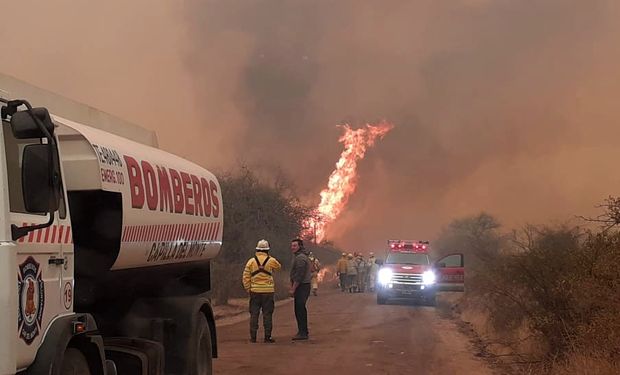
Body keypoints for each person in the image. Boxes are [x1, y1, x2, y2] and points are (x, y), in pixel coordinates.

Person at [242, 239, 282, 343]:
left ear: (257, 249)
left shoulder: (251, 261)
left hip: (254, 291)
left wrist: (248, 288)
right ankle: (267, 337)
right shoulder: (271, 260)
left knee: (254, 314)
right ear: (267, 250)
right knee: (267, 314)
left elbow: (246, 276)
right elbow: (278, 267)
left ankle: (253, 337)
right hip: (268, 292)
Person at [289, 238, 312, 340]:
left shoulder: (300, 258)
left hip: (302, 286)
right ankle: (303, 331)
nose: (292, 247)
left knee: (300, 309)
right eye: (292, 245)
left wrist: (293, 288)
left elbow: (299, 275)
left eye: (295, 245)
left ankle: (302, 333)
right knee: (299, 309)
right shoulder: (299, 257)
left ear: (300, 246)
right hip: (303, 286)